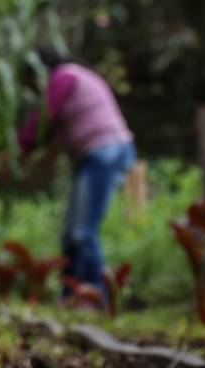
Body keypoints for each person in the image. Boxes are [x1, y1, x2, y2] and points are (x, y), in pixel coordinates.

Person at [17, 47, 135, 298]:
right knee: (72, 234)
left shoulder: (64, 76)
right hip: (100, 154)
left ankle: (96, 296)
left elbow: (42, 121)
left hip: (105, 151)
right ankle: (71, 296)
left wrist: (18, 148)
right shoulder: (74, 78)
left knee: (82, 232)